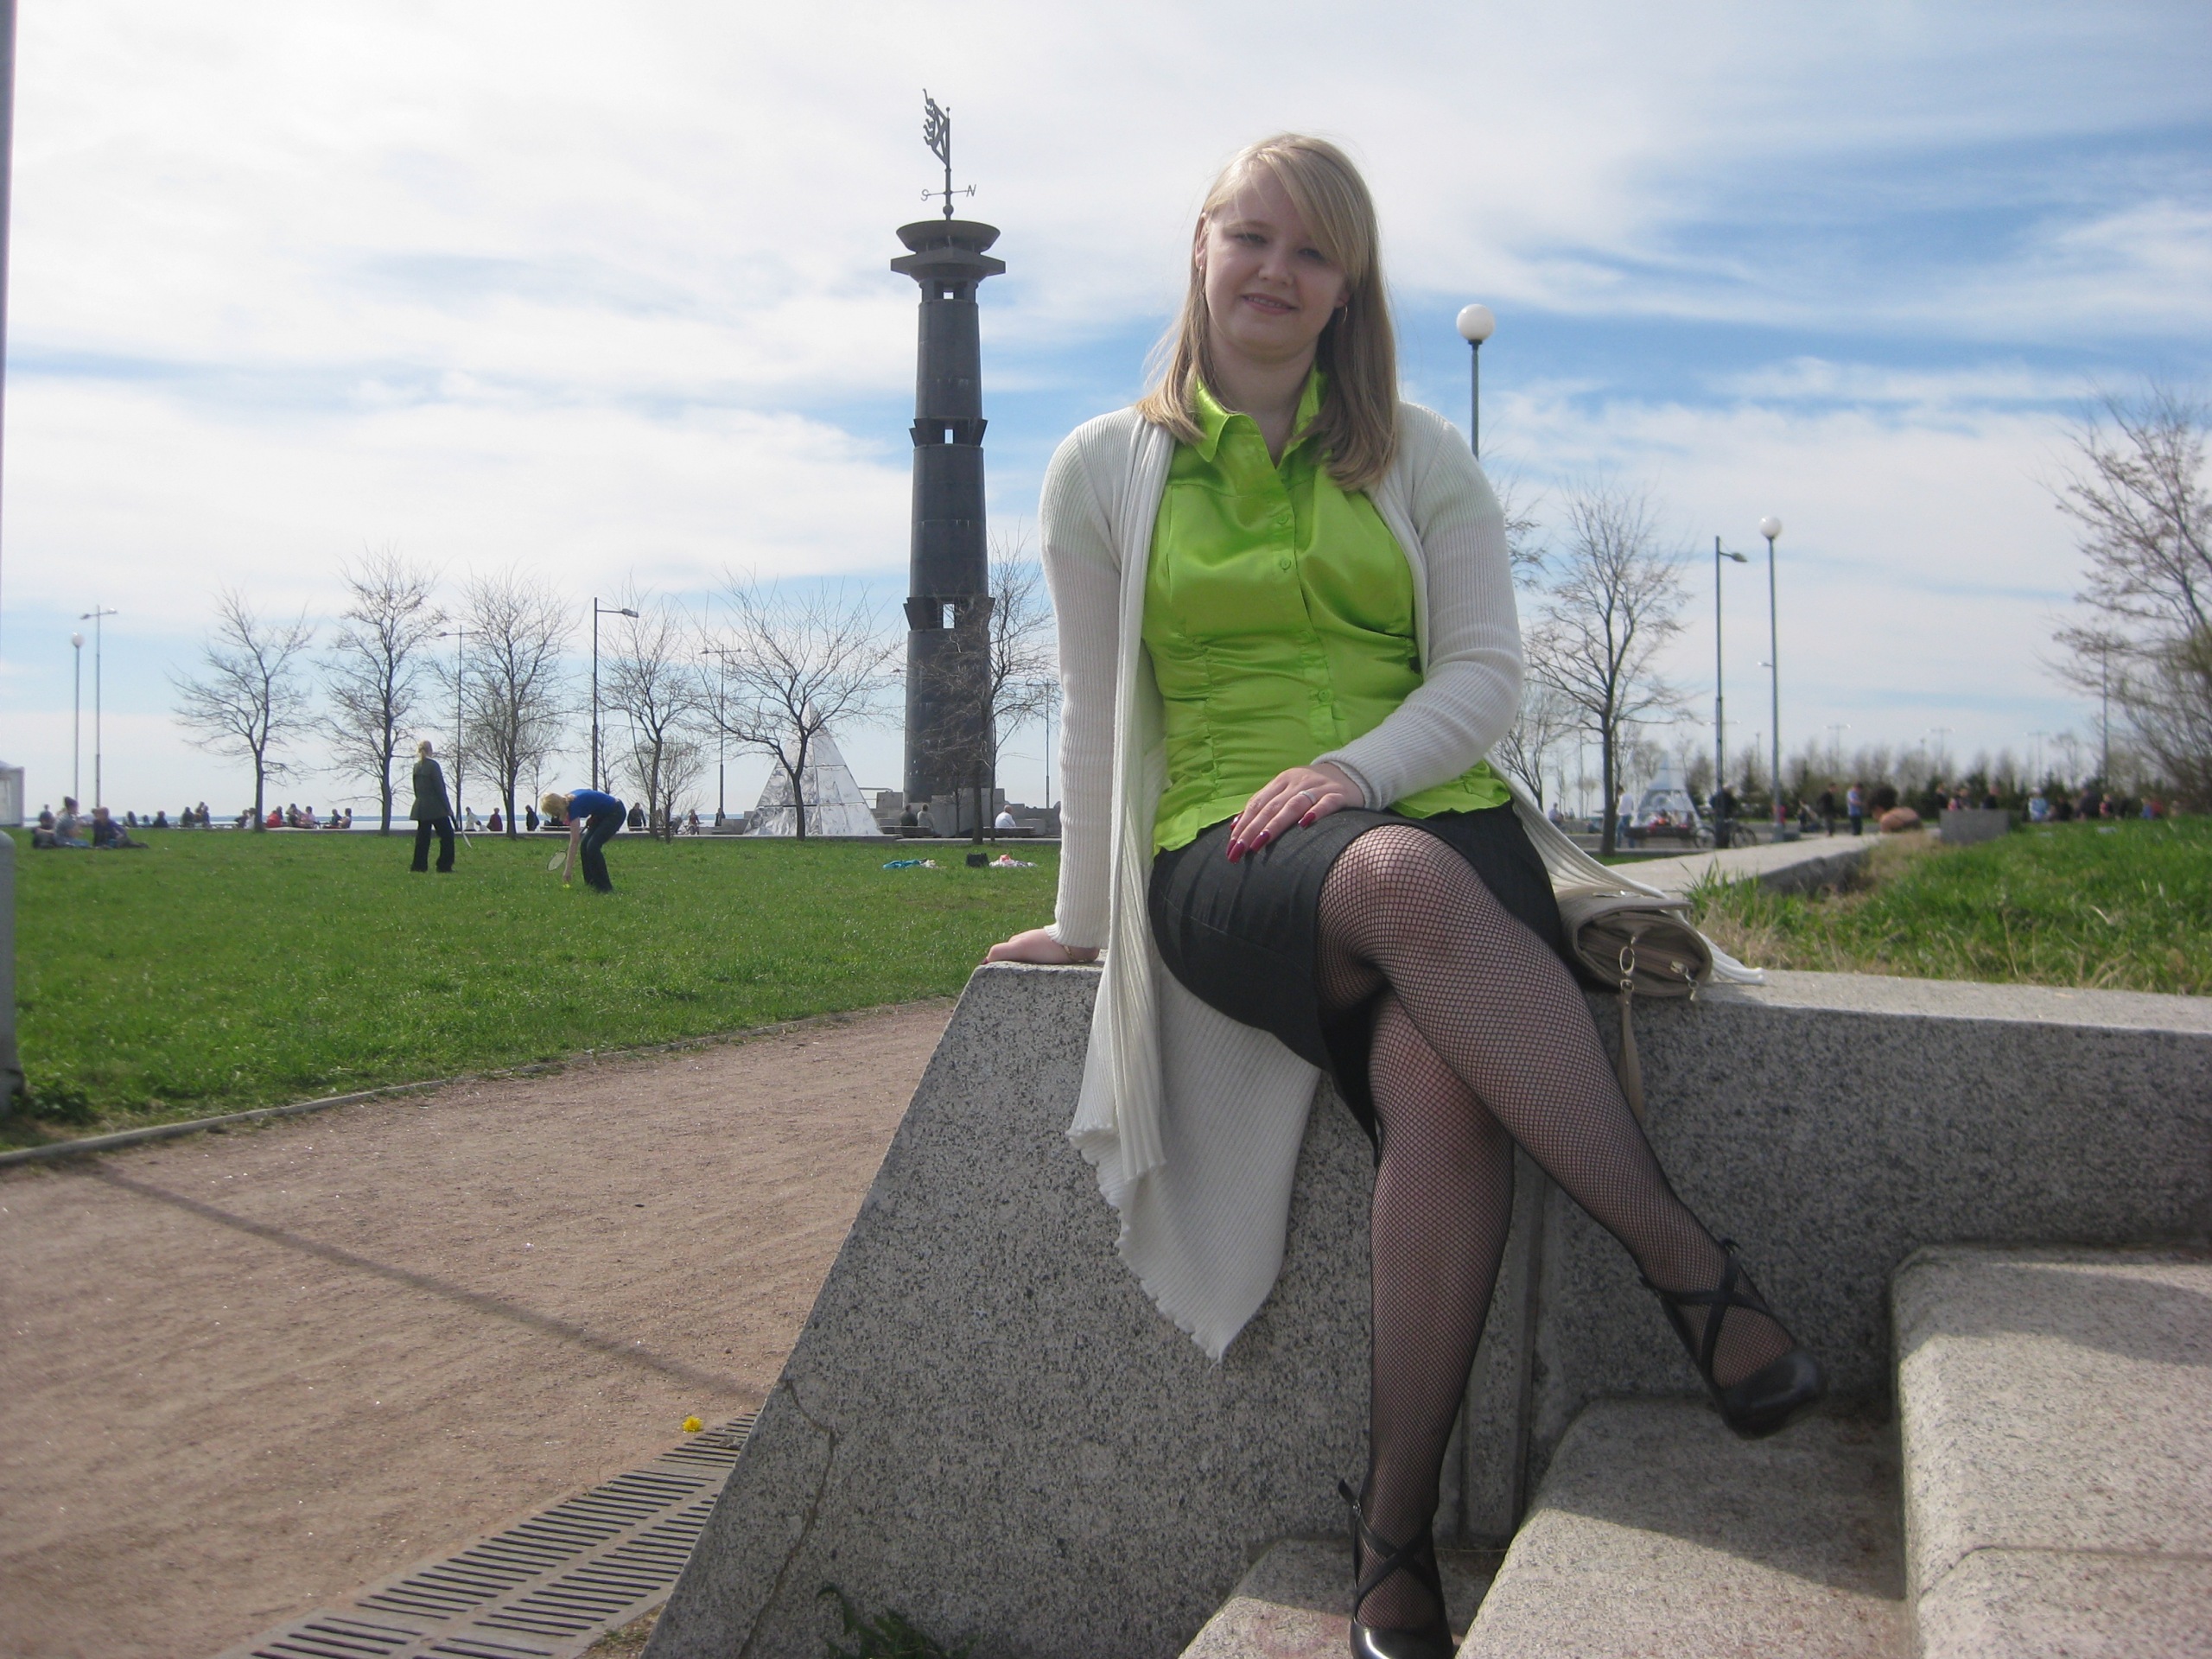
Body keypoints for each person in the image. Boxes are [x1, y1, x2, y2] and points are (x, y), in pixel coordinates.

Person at [981, 136, 1821, 1656]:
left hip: (1433, 812)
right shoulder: (1102, 467)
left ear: (1347, 291)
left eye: (1315, 252)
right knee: (1389, 876)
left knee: (1443, 1077)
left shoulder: (1419, 452)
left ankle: (1393, 1537)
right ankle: (1687, 1265)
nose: (1276, 271)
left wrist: (1357, 768)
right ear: (1200, 246)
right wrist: (1087, 924)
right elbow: (1094, 712)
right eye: (1252, 236)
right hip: (1230, 851)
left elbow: (1486, 676)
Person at [545, 787, 626, 892]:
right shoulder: (570, 798)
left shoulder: (573, 806)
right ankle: (591, 883)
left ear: (557, 808)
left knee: (593, 847)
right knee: (584, 846)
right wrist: (592, 815)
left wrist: (568, 871)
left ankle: (605, 887)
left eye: (554, 813)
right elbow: (591, 795)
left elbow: (574, 841)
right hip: (601, 814)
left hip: (615, 812)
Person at [409, 740, 456, 874]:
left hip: (421, 807)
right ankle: (444, 865)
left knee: (422, 839)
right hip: (436, 808)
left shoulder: (417, 767)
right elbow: (440, 789)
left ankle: (419, 866)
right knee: (447, 836)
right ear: (431, 750)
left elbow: (416, 789)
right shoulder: (433, 766)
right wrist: (447, 807)